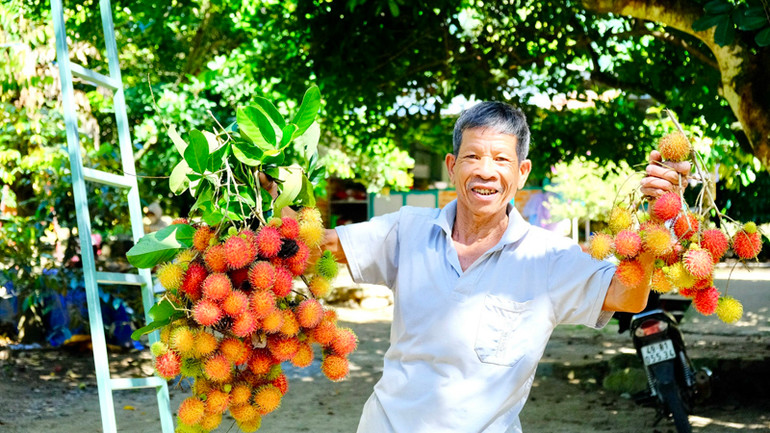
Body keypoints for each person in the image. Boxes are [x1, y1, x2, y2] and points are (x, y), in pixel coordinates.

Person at [262, 101, 690, 433]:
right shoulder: (407, 229)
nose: (486, 172)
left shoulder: (550, 256)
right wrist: (263, 205)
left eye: (501, 160)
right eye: (473, 157)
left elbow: (630, 295)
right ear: (452, 166)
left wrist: (657, 219)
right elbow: (320, 244)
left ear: (521, 173)